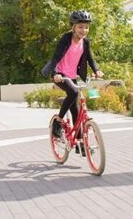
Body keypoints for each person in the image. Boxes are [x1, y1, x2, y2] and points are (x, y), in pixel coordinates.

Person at [41, 10, 104, 156]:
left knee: (77, 110)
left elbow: (90, 59)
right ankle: (58, 121)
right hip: (60, 75)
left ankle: (80, 144)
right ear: (73, 27)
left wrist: (97, 70)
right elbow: (56, 56)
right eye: (81, 26)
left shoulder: (86, 42)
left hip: (73, 76)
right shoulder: (66, 38)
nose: (84, 30)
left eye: (87, 27)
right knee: (74, 92)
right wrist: (55, 73)